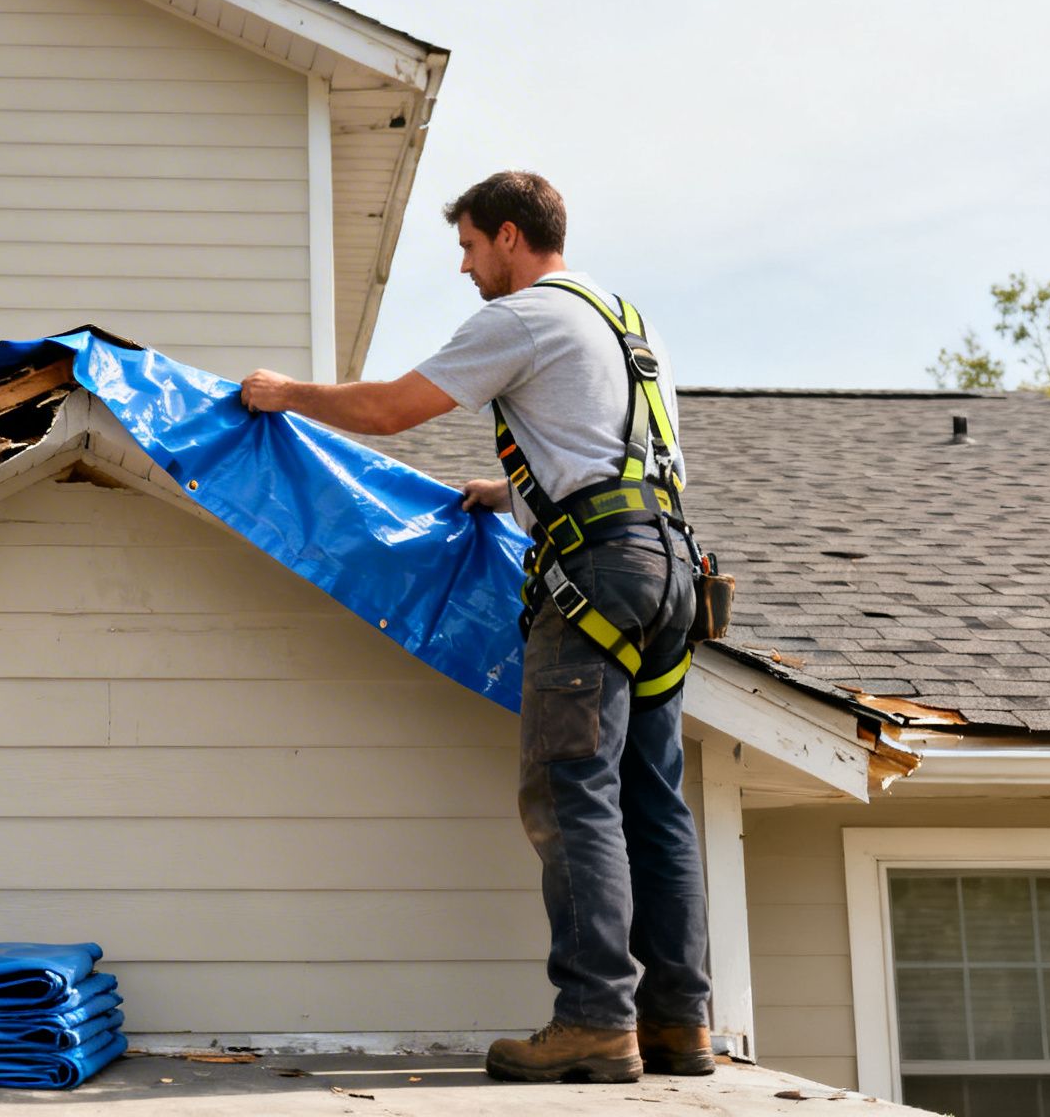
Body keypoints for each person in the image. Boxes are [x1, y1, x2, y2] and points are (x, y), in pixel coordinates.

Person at [238, 170, 713, 1085]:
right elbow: (609, 451)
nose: (463, 268)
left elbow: (389, 411)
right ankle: (678, 1025)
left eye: (465, 247)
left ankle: (592, 1022)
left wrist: (287, 392)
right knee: (655, 804)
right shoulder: (616, 318)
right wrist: (512, 493)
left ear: (506, 236)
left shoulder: (522, 315)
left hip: (598, 582)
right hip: (669, 574)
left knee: (572, 792)